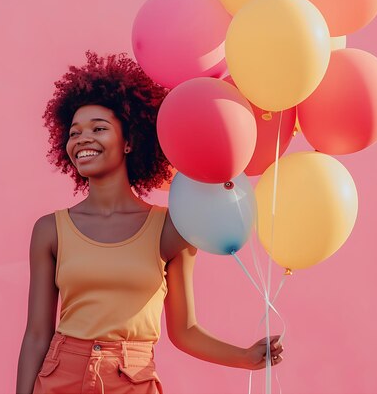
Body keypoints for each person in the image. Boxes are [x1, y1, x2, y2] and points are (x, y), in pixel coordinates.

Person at [16, 51, 283, 394]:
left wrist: (246, 357)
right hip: (60, 377)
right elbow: (37, 334)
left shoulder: (172, 228)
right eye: (74, 132)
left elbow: (185, 331)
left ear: (129, 142)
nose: (82, 138)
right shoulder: (50, 230)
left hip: (133, 381)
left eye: (99, 128)